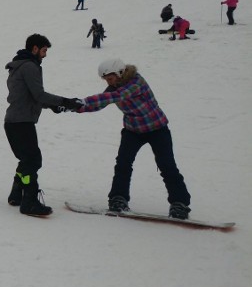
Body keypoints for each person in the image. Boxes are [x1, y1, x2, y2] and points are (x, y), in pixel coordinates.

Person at [73, 59, 192, 219]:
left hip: (157, 129)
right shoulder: (114, 88)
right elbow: (102, 101)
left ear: (120, 73)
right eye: (106, 79)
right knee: (123, 163)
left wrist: (84, 101)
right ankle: (118, 199)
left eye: (110, 77)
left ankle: (180, 204)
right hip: (133, 131)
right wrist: (74, 106)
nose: (109, 81)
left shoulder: (136, 82)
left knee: (167, 165)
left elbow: (116, 96)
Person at [4, 34, 82, 216]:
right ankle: (29, 202)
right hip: (22, 122)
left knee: (26, 159)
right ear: (35, 49)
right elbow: (38, 94)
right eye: (44, 50)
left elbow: (31, 96)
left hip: (14, 121)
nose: (45, 55)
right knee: (32, 160)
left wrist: (55, 105)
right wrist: (65, 101)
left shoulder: (19, 66)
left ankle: (16, 193)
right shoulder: (30, 67)